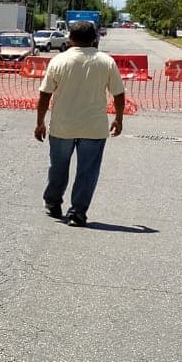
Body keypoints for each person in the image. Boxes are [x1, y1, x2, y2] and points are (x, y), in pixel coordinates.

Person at [34, 19, 125, 226]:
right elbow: (118, 94)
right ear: (94, 39)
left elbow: (45, 95)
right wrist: (118, 119)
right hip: (94, 128)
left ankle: (53, 201)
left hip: (62, 126)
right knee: (88, 171)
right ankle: (77, 212)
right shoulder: (106, 62)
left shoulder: (58, 61)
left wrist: (40, 122)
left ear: (69, 38)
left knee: (58, 167)